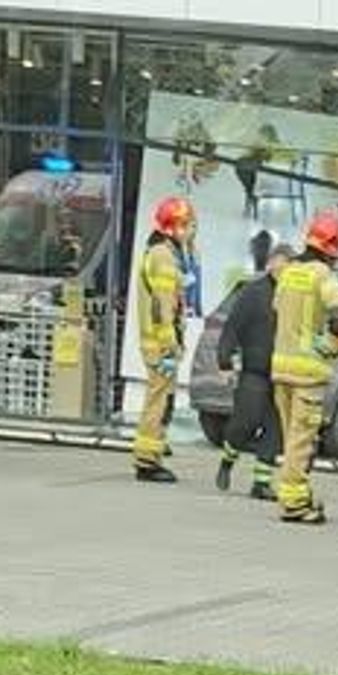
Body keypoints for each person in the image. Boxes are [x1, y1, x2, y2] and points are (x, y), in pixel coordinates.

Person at [270, 211, 338, 525]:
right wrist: (332, 344)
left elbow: (277, 309)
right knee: (301, 440)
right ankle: (293, 502)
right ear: (331, 246)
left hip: (281, 367)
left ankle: (299, 494)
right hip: (308, 372)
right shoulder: (323, 275)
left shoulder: (289, 272)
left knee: (290, 437)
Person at [216, 242, 295, 500]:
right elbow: (232, 327)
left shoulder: (293, 296)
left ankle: (261, 482)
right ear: (271, 263)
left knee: (275, 428)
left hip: (283, 373)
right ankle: (228, 458)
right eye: (283, 264)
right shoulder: (254, 293)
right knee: (246, 422)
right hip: (255, 370)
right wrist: (224, 360)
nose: (286, 271)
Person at [132, 196, 194, 483]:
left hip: (157, 341)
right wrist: (170, 346)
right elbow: (162, 306)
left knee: (159, 400)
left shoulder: (158, 251)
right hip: (161, 344)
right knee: (156, 401)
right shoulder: (164, 256)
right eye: (186, 225)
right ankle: (146, 460)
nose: (190, 230)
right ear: (174, 226)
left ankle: (152, 452)